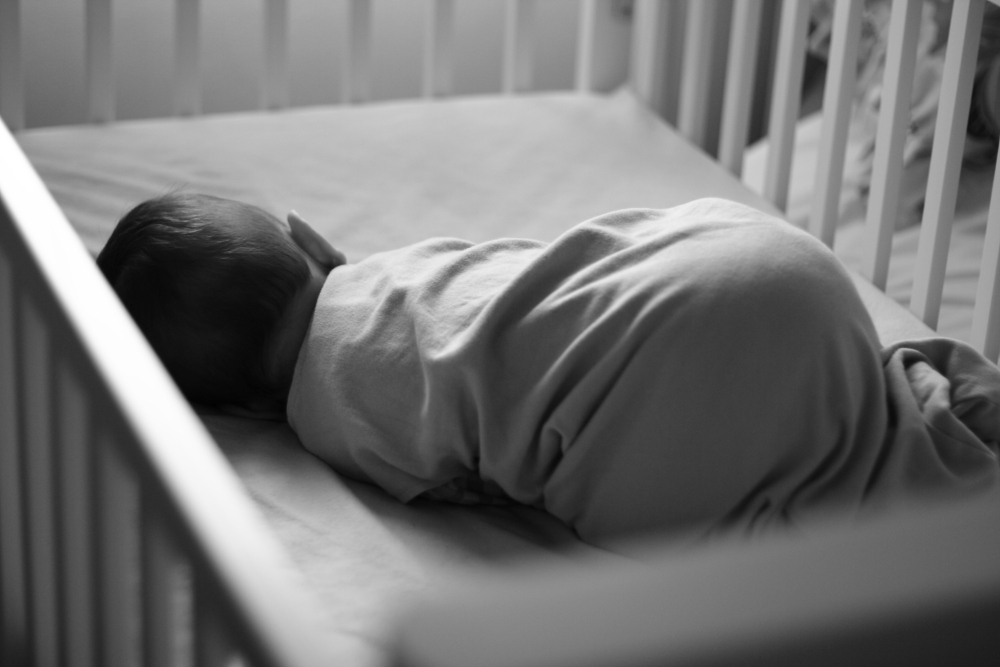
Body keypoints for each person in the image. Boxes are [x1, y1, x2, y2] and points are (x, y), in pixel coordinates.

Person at [98, 192, 1000, 552]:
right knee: (866, 403)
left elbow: (466, 486)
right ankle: (936, 407)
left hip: (670, 415)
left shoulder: (327, 425)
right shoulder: (400, 269)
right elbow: (533, 267)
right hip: (772, 265)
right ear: (312, 241)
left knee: (788, 492)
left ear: (243, 405)